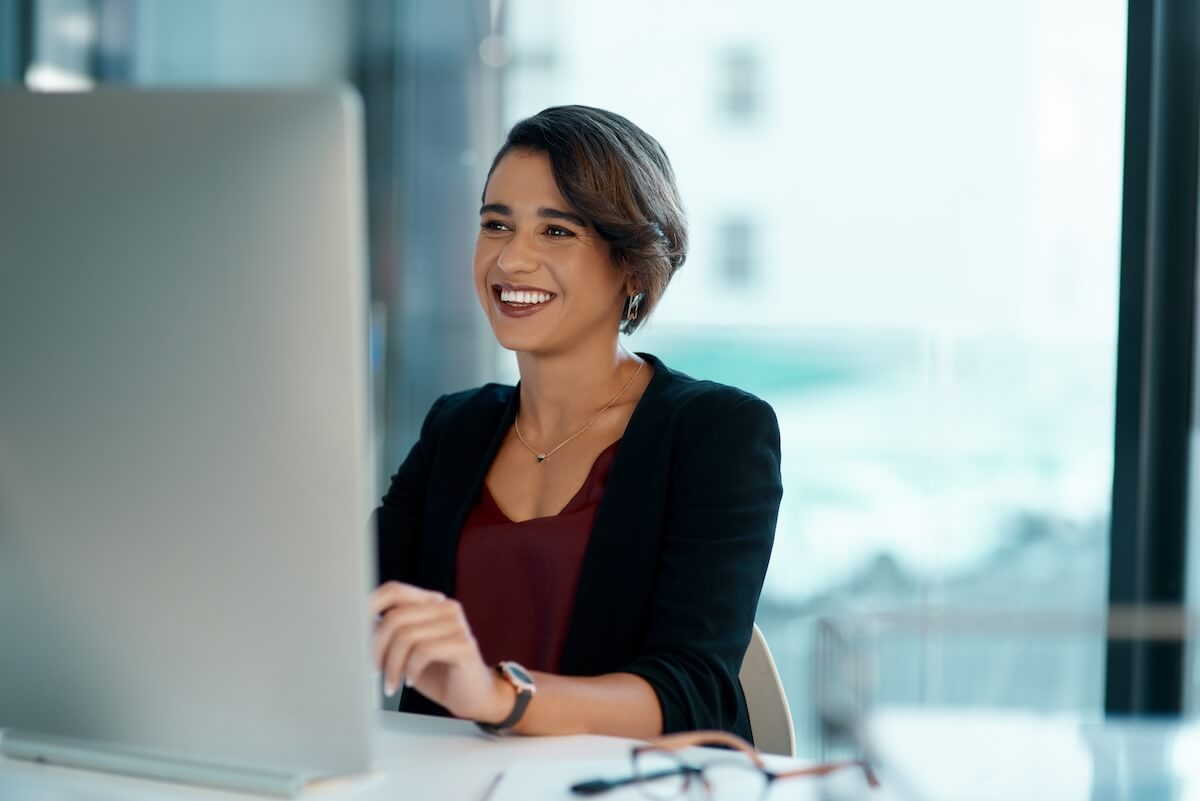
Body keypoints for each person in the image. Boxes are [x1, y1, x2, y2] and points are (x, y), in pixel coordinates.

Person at [371, 105, 782, 742]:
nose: (512, 261)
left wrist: (493, 695)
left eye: (556, 232)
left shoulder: (718, 431)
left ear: (631, 262)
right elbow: (349, 602)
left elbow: (692, 689)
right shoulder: (456, 427)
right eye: (496, 224)